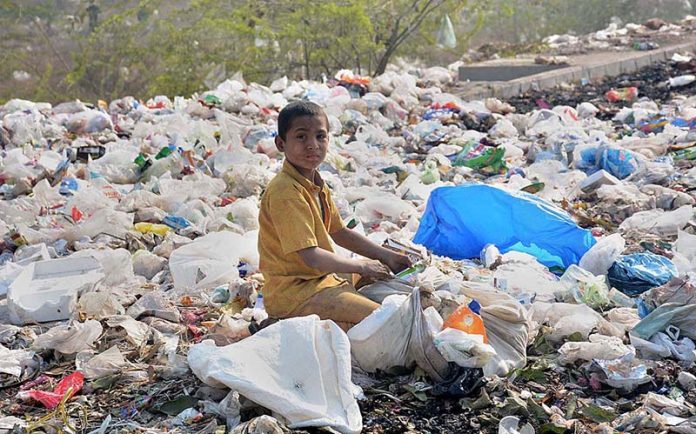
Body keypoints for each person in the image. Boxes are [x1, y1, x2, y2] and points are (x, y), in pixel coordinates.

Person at [258, 101, 412, 331]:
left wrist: (387, 256)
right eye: (301, 137)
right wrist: (362, 267)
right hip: (294, 293)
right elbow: (310, 256)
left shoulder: (314, 182)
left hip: (321, 279)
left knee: (391, 286)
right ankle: (281, 324)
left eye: (320, 137)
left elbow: (339, 232)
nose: (313, 145)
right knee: (385, 320)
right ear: (281, 143)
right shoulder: (285, 192)